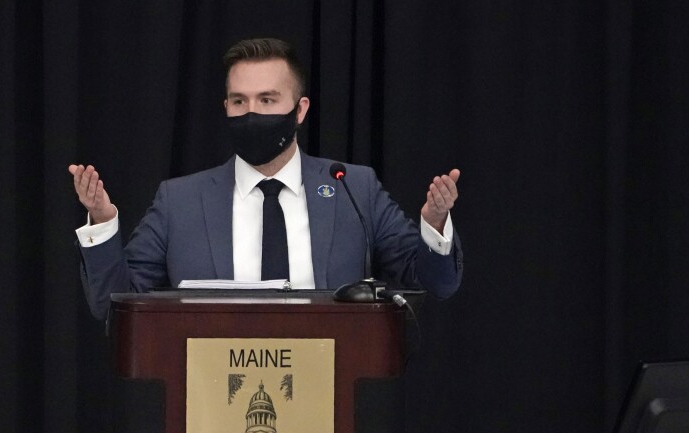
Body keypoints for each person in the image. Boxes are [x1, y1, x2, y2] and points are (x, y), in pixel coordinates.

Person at [70, 38, 463, 320]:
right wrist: (103, 224)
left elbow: (431, 284)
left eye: (268, 100)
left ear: (300, 109)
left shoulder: (353, 188)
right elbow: (113, 303)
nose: (252, 113)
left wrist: (434, 224)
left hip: (329, 386)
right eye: (239, 101)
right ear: (225, 107)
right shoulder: (180, 201)